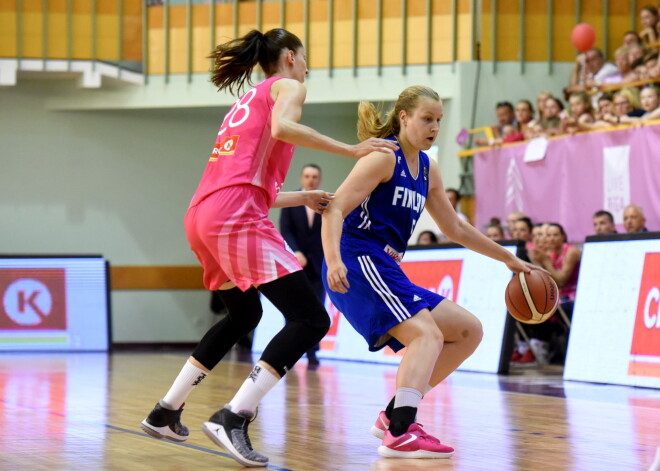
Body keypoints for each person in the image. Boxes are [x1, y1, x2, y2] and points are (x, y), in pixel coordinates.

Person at [139, 28, 398, 468]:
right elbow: (284, 127)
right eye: (305, 58)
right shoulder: (290, 85)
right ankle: (234, 416)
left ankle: (166, 409)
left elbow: (247, 183)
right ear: (291, 57)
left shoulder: (244, 102)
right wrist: (351, 149)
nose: (308, 68)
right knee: (310, 316)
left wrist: (301, 197)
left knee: (244, 314)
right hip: (234, 215)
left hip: (203, 214)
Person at [321, 85, 536, 458]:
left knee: (468, 331)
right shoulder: (382, 158)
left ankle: (392, 417)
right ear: (403, 118)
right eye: (427, 119)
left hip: (385, 266)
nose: (434, 126)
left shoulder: (428, 168)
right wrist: (334, 260)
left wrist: (508, 258)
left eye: (439, 120)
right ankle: (402, 430)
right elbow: (334, 208)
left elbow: (456, 228)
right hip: (356, 259)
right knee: (426, 334)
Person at [279, 163, 326, 365]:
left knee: (317, 307)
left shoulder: (325, 202)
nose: (311, 180)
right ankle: (290, 349)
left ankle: (313, 351)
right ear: (301, 178)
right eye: (307, 176)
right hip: (294, 263)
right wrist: (295, 251)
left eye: (314, 176)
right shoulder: (290, 201)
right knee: (294, 307)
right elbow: (285, 230)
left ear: (319, 179)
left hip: (318, 264)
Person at [530, 223, 581, 365]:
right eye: (548, 235)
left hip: (573, 295)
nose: (551, 239)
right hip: (557, 297)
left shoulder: (571, 252)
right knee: (530, 308)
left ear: (563, 236)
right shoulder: (548, 253)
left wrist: (545, 262)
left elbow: (561, 281)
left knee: (551, 310)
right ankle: (533, 348)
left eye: (555, 235)